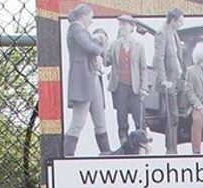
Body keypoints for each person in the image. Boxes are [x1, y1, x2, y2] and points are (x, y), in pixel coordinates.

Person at [62, 5, 114, 156]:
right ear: (83, 16)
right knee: (79, 120)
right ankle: (68, 154)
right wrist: (100, 46)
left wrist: (96, 40)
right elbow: (88, 46)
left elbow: (89, 44)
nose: (92, 20)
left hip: (92, 78)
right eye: (90, 16)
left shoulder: (82, 31)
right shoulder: (75, 28)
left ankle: (106, 152)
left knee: (100, 119)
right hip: (83, 79)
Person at [152, 9, 186, 155]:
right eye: (180, 20)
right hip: (169, 82)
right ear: (173, 20)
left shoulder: (175, 33)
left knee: (177, 115)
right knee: (173, 115)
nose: (182, 23)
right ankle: (171, 149)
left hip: (178, 80)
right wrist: (163, 80)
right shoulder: (161, 33)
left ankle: (173, 147)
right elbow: (159, 58)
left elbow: (178, 57)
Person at [109, 15, 148, 140]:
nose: (122, 27)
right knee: (121, 116)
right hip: (120, 85)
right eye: (120, 24)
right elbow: (106, 61)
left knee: (139, 116)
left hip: (135, 86)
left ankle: (142, 142)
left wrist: (144, 87)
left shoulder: (139, 46)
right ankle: (124, 142)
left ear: (131, 27)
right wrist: (101, 46)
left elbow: (143, 68)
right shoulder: (114, 45)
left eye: (124, 24)